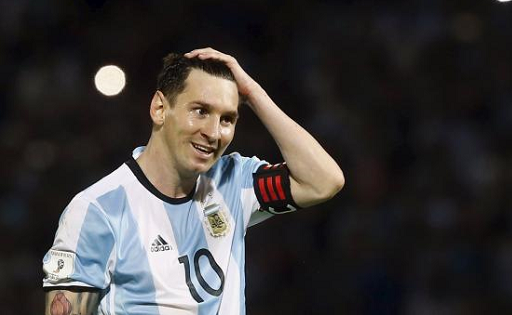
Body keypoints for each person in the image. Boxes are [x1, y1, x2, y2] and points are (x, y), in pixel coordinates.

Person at [42, 47, 344, 315]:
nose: (214, 133)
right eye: (200, 111)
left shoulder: (234, 182)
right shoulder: (97, 211)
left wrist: (253, 94)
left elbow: (323, 182)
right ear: (160, 109)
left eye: (227, 119)